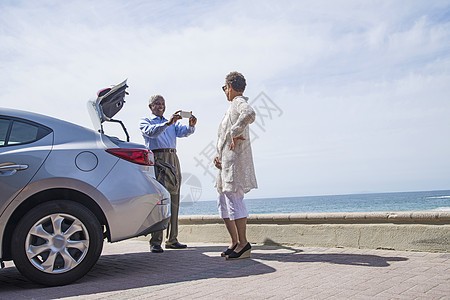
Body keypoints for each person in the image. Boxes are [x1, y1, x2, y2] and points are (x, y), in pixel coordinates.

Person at [140, 94, 197, 253]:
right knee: (160, 200)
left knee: (174, 198)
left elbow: (184, 132)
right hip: (158, 159)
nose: (160, 106)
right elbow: (151, 133)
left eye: (163, 104)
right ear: (150, 106)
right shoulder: (146, 121)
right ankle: (155, 241)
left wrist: (191, 125)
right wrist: (168, 122)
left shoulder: (172, 123)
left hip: (173, 158)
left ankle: (172, 239)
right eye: (157, 104)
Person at [213, 72, 257, 260]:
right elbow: (224, 138)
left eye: (224, 88)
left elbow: (250, 113)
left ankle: (243, 243)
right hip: (226, 162)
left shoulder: (238, 101)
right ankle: (235, 242)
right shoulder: (232, 106)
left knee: (234, 199)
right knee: (224, 200)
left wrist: (233, 131)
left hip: (234, 163)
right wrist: (218, 156)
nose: (224, 92)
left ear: (230, 86)